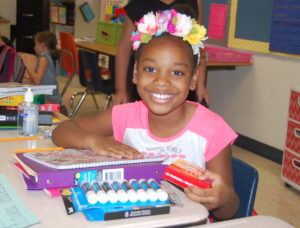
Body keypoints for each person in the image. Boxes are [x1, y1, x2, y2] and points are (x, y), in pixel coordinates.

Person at [52, 9, 239, 220]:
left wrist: (223, 199)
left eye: (177, 72)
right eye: (150, 69)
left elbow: (228, 212)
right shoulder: (125, 115)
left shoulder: (212, 130)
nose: (161, 81)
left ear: (194, 79)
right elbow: (62, 130)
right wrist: (94, 141)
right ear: (135, 73)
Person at [113, 0, 210, 106]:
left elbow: (197, 42)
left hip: (181, 81)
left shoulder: (194, 1)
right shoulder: (137, 3)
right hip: (146, 78)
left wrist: (200, 85)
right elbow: (124, 50)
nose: (162, 82)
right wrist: (121, 90)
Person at [19, 31, 62, 106]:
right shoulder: (47, 57)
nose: (34, 47)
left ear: (42, 45)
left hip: (49, 99)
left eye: (36, 44)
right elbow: (39, 79)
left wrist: (26, 65)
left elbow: (37, 81)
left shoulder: (43, 58)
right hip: (48, 95)